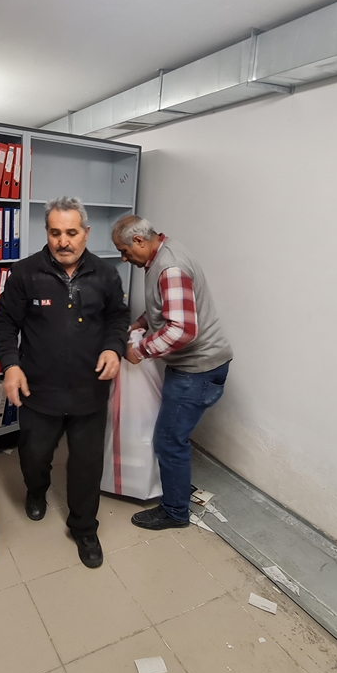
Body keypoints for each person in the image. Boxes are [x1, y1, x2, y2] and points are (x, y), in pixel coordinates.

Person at [0, 196, 129, 568]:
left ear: (86, 233)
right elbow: (4, 321)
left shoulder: (106, 274)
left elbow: (118, 318)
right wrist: (11, 365)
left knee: (86, 464)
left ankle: (84, 528)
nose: (63, 241)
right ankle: (36, 491)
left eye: (71, 233)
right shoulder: (25, 273)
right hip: (39, 390)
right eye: (55, 233)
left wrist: (114, 347)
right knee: (34, 455)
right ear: (47, 233)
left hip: (89, 390)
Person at [111, 215, 233, 531]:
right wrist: (139, 324)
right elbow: (164, 308)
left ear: (139, 241)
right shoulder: (161, 255)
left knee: (168, 440)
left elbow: (181, 329)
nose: (124, 258)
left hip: (197, 370)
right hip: (196, 367)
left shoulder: (170, 267)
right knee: (172, 435)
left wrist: (139, 350)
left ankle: (175, 512)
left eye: (124, 251)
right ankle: (176, 487)